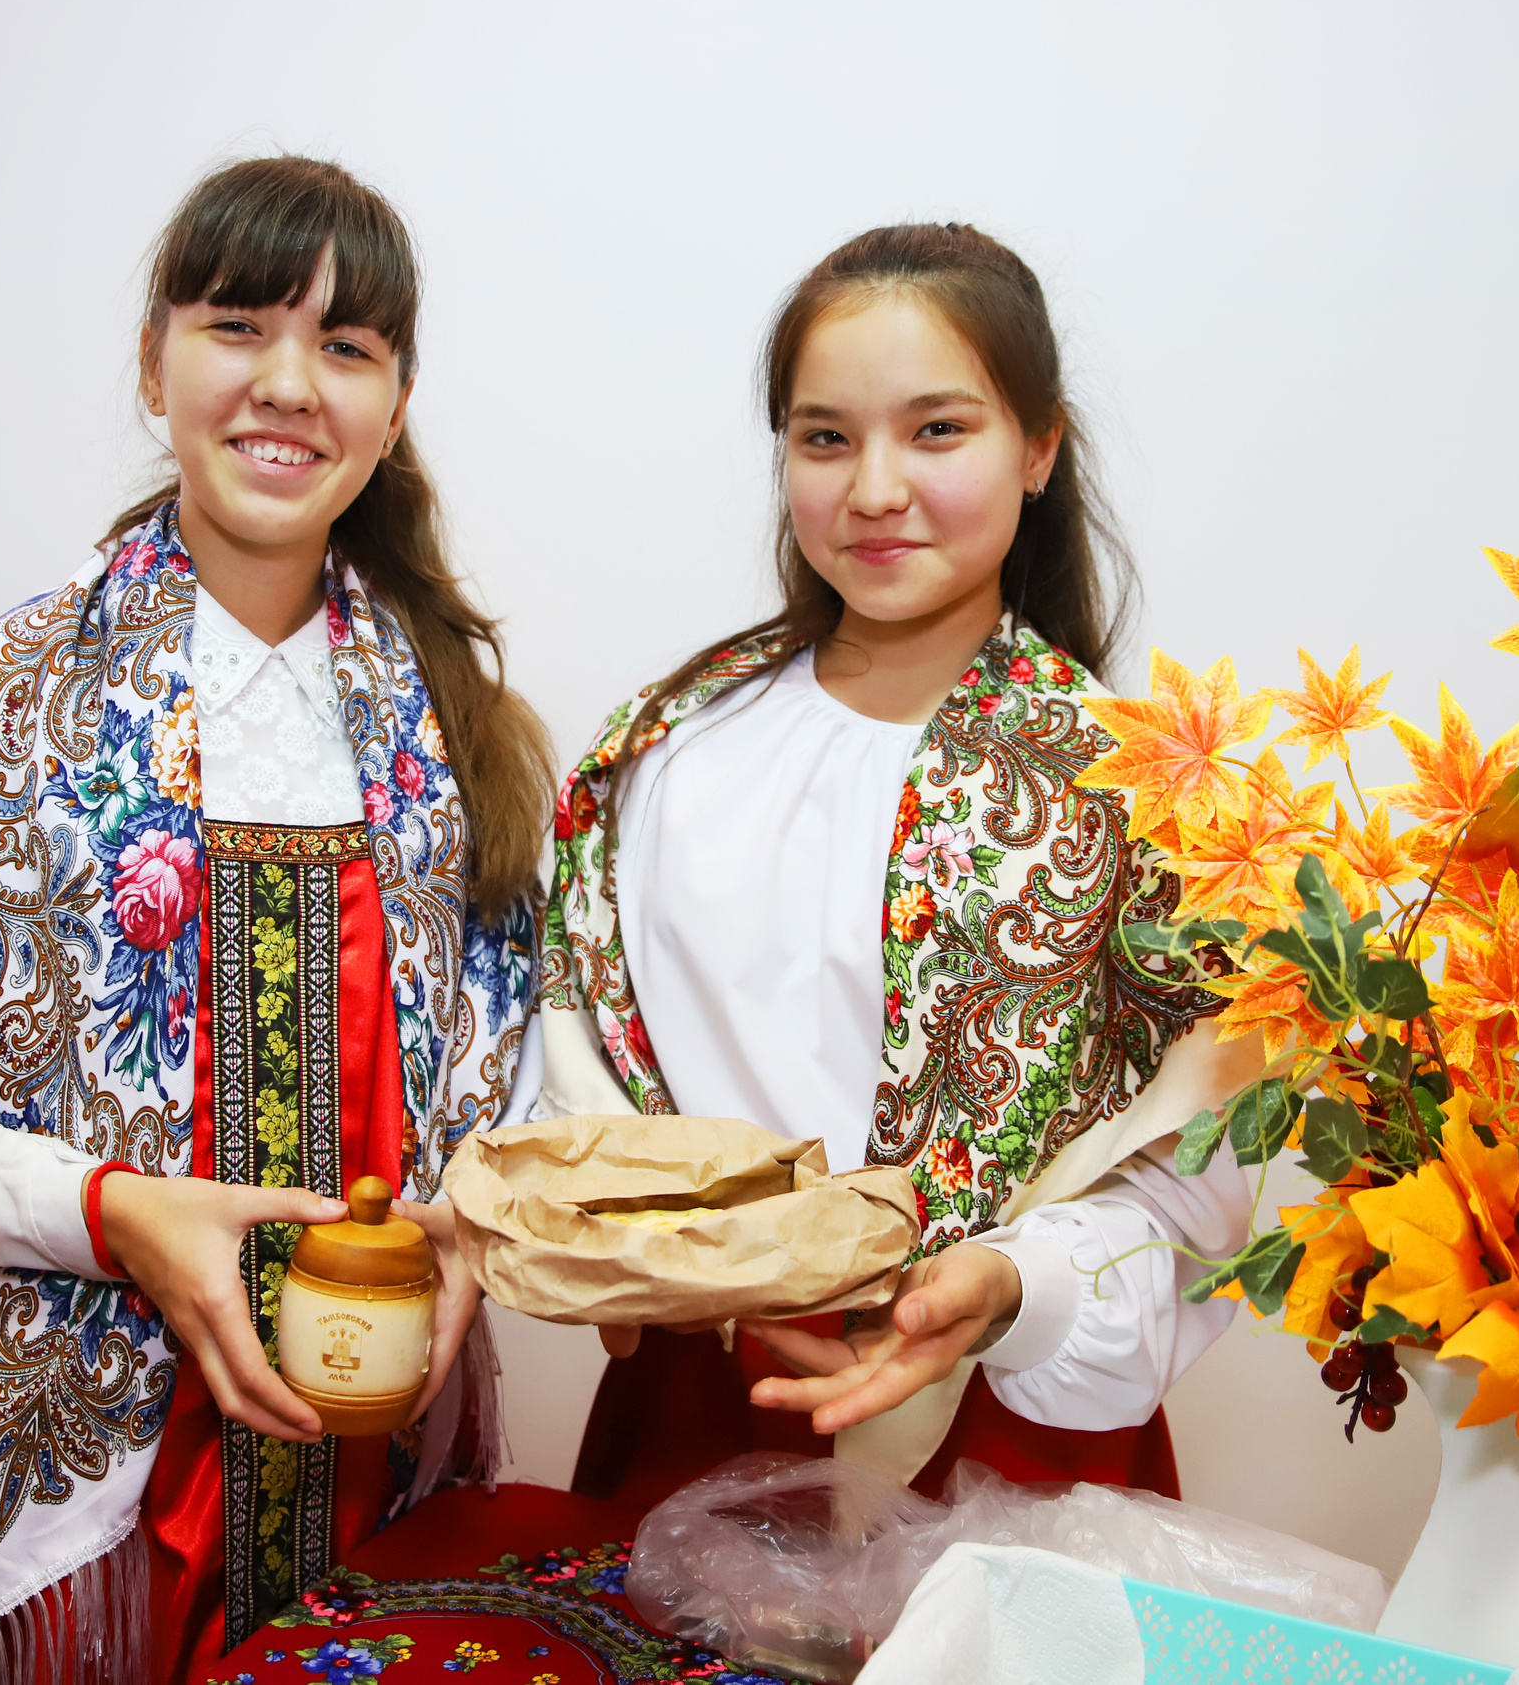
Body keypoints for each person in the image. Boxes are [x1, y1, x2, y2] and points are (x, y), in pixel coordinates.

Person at [0, 157, 551, 1683]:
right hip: (95, 1482)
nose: (286, 384)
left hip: (387, 1441)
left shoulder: (455, 726)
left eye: (346, 346)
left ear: (394, 402)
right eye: (238, 322)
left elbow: (519, 1078)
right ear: (153, 360)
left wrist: (475, 1221)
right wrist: (114, 1212)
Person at [519, 221, 1265, 1507]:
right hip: (702, 1419)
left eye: (936, 430)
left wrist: (1009, 1291)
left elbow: (1191, 1189)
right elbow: (570, 1062)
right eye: (824, 437)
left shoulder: (1138, 794)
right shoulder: (667, 748)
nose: (873, 488)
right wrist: (651, 1253)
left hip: (1015, 1451)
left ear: (1039, 447)